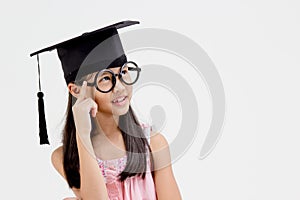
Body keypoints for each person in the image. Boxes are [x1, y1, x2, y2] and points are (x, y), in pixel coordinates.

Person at [30, 20, 182, 200]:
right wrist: (82, 134)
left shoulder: (153, 144)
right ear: (76, 90)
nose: (119, 87)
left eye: (124, 72)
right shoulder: (66, 158)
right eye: (105, 79)